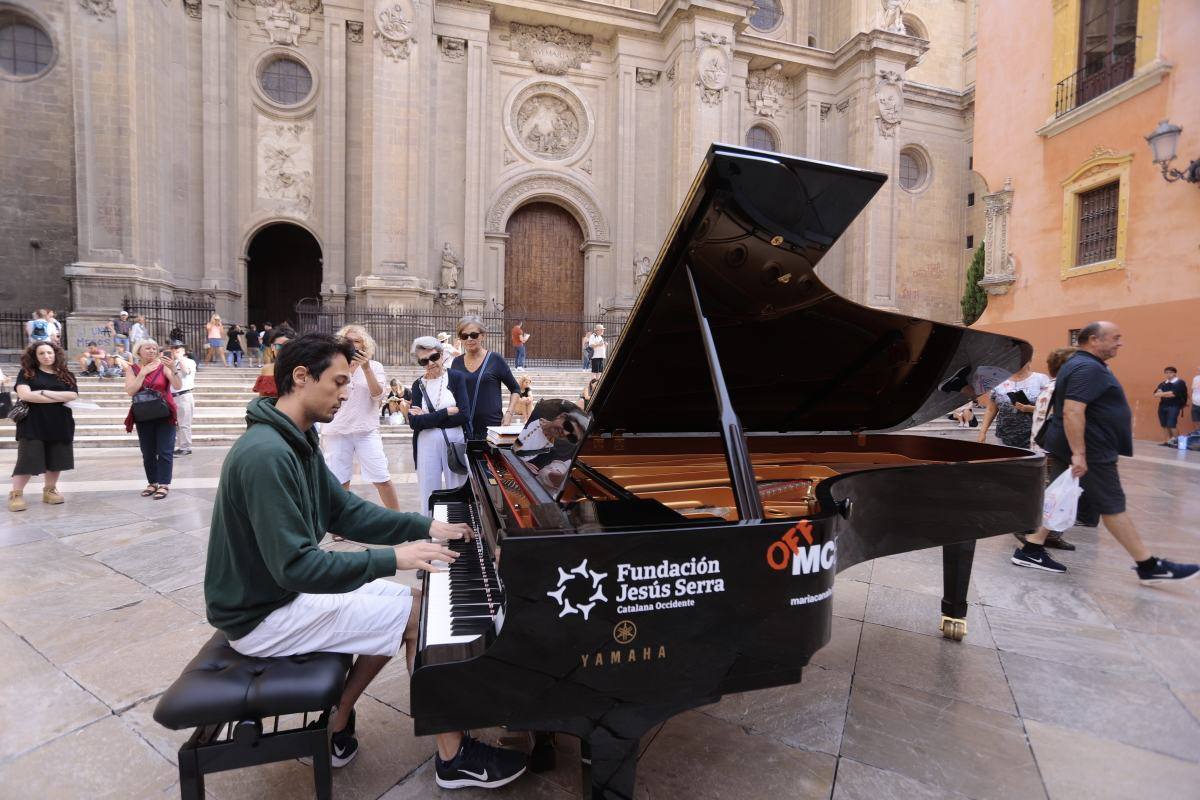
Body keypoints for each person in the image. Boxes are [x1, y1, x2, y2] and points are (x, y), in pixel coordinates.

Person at [203, 332, 527, 786]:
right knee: (413, 611)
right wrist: (393, 557)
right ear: (300, 377)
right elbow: (296, 567)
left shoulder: (294, 439)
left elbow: (343, 511)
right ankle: (453, 758)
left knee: (402, 605)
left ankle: (335, 720)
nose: (346, 392)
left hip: (276, 595)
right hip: (260, 613)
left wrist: (424, 527)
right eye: (338, 382)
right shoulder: (266, 455)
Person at [1012, 321, 1199, 582]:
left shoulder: (1080, 365)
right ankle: (1148, 564)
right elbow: (1073, 410)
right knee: (1112, 504)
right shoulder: (1086, 367)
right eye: (1114, 338)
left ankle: (1032, 547)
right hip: (1090, 449)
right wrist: (1079, 453)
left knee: (1061, 495)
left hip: (1078, 445)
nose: (1120, 343)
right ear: (1093, 340)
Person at [320, 325, 400, 510]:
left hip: (366, 430)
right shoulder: (330, 365)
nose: (353, 344)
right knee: (339, 481)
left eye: (357, 341)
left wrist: (366, 368)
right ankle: (340, 524)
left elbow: (378, 395)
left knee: (382, 477)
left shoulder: (375, 366)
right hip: (337, 429)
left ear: (364, 345)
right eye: (348, 341)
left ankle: (398, 519)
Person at [8, 342, 78, 513]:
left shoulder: (66, 374)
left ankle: (50, 490)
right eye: (41, 353)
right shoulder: (27, 373)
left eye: (49, 352)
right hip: (33, 423)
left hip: (60, 423)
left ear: (55, 354)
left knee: (57, 459)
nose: (46, 356)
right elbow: (25, 395)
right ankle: (16, 494)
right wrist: (58, 397)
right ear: (35, 356)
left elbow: (73, 395)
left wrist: (41, 393)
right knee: (28, 459)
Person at [408, 336, 470, 515]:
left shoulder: (456, 378)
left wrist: (428, 418)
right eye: (424, 360)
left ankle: (460, 529)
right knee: (428, 489)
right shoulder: (418, 385)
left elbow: (464, 415)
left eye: (434, 357)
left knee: (458, 488)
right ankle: (429, 531)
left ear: (442, 355)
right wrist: (447, 412)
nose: (430, 363)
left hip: (454, 442)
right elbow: (415, 423)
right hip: (426, 444)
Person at [122, 338, 180, 500]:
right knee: (147, 452)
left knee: (165, 451)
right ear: (138, 351)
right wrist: (143, 373)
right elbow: (130, 391)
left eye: (154, 348)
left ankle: (164, 484)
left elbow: (178, 385)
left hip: (164, 413)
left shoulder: (163, 367)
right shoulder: (132, 369)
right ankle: (152, 482)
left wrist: (173, 368)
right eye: (148, 348)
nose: (152, 351)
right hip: (143, 414)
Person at [449, 315, 520, 440]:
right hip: (463, 428)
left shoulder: (495, 359)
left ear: (483, 335)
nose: (469, 339)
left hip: (491, 429)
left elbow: (515, 389)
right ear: (461, 339)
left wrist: (509, 413)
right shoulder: (456, 362)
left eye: (474, 335)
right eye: (465, 336)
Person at [977, 359, 1049, 450]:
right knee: (1008, 463)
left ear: (1029, 361)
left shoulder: (1041, 380)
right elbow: (991, 409)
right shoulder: (998, 382)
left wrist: (1031, 409)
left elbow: (1052, 408)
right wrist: (982, 432)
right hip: (1004, 437)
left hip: (1035, 437)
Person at [170, 341, 197, 457]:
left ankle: (185, 447)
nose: (175, 351)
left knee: (184, 423)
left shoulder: (189, 362)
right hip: (173, 396)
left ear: (183, 351)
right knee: (176, 424)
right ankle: (179, 446)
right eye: (173, 349)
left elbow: (186, 372)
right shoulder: (172, 363)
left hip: (184, 395)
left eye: (178, 349)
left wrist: (180, 359)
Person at [253, 326, 295, 397]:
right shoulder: (266, 369)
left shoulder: (300, 369)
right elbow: (262, 398)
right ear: (272, 347)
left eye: (287, 346)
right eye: (279, 346)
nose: (283, 349)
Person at [1152, 366, 1188, 445]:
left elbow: (1173, 394)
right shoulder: (1163, 383)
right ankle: (1167, 441)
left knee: (1171, 424)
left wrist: (1162, 394)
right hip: (1163, 405)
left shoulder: (1180, 382)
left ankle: (1177, 442)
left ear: (1175, 373)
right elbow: (1155, 394)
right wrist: (1165, 393)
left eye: (1170, 373)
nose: (1168, 374)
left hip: (1174, 405)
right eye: (1166, 373)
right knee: (1164, 424)